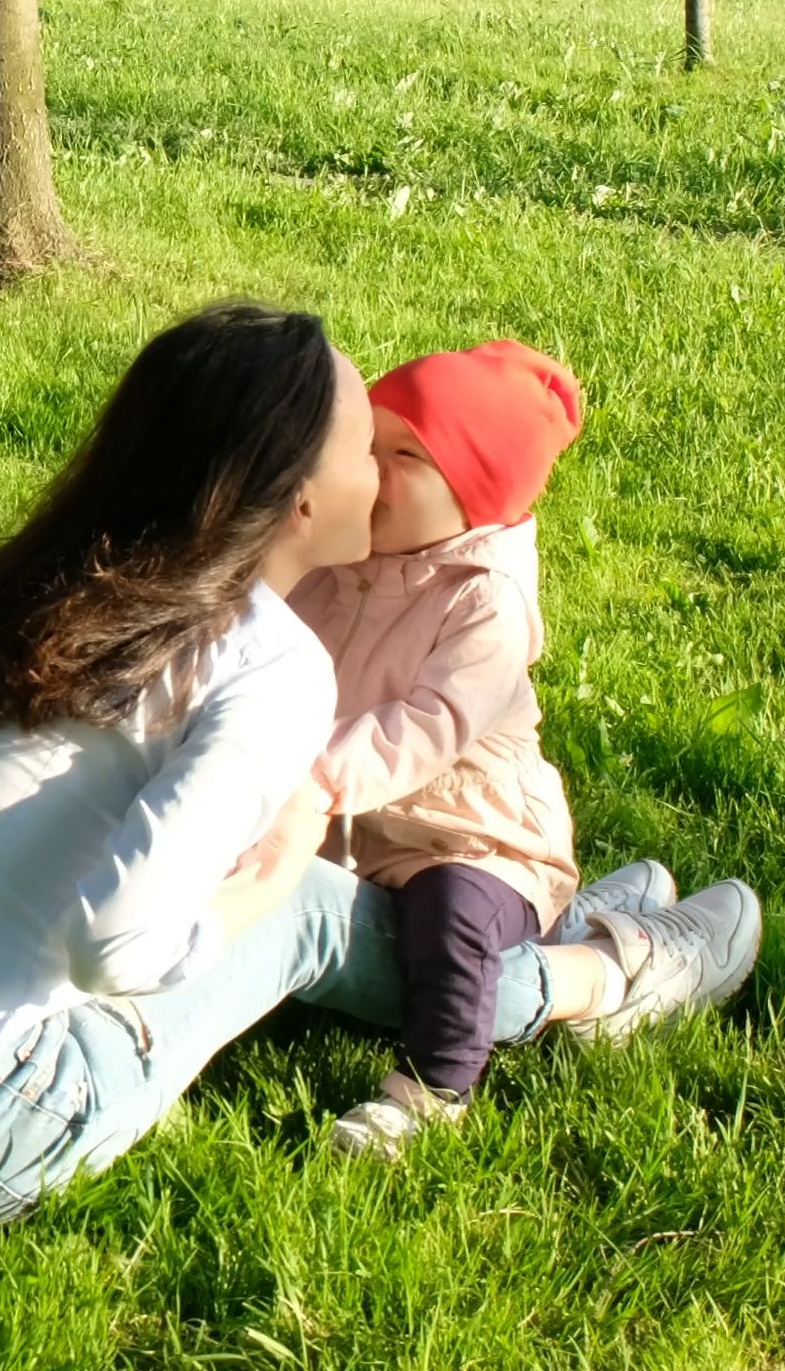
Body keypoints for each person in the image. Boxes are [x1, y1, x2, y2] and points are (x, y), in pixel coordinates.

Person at [0, 304, 761, 1231]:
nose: (379, 474)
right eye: (363, 444)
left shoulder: (36, 584)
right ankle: (601, 975)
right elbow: (114, 945)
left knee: (268, 886)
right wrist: (257, 885)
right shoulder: (268, 659)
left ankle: (558, 950)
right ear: (297, 497)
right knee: (305, 904)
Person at [288, 341, 761, 1156]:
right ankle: (589, 919)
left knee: (449, 931)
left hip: (473, 839)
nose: (376, 471)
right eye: (370, 445)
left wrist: (312, 777)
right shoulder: (344, 564)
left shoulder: (487, 604)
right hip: (360, 828)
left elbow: (429, 725)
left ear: (476, 495)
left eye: (407, 455)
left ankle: (429, 1092)